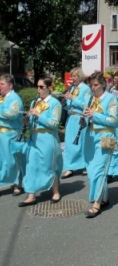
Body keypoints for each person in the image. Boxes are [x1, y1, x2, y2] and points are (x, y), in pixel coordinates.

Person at [19, 77, 63, 206]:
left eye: (41, 87)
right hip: (34, 138)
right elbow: (33, 119)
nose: (38, 89)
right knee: (31, 165)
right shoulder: (35, 101)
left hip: (48, 139)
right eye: (37, 86)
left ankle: (55, 192)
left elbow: (54, 124)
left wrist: (39, 115)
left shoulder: (55, 103)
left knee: (49, 165)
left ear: (49, 88)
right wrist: (27, 121)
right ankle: (31, 195)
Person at [83, 72, 118, 218]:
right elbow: (88, 117)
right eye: (91, 85)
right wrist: (83, 119)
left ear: (103, 84)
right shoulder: (89, 98)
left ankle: (96, 204)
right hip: (91, 137)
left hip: (106, 137)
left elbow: (113, 121)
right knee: (91, 171)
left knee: (99, 170)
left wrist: (95, 115)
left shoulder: (111, 99)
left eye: (96, 85)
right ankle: (104, 197)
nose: (93, 88)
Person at [61, 67, 92, 179]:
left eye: (74, 76)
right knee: (69, 144)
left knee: (81, 143)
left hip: (80, 118)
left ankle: (84, 165)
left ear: (80, 76)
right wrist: (64, 103)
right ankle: (69, 167)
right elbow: (69, 105)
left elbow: (86, 105)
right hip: (71, 118)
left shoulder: (86, 89)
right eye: (71, 76)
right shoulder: (72, 88)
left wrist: (73, 98)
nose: (72, 78)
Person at [0, 74, 24, 196]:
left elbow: (12, 114)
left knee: (13, 160)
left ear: (10, 85)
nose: (0, 86)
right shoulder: (2, 98)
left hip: (11, 134)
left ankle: (17, 184)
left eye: (2, 84)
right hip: (1, 134)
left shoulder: (15, 98)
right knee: (2, 160)